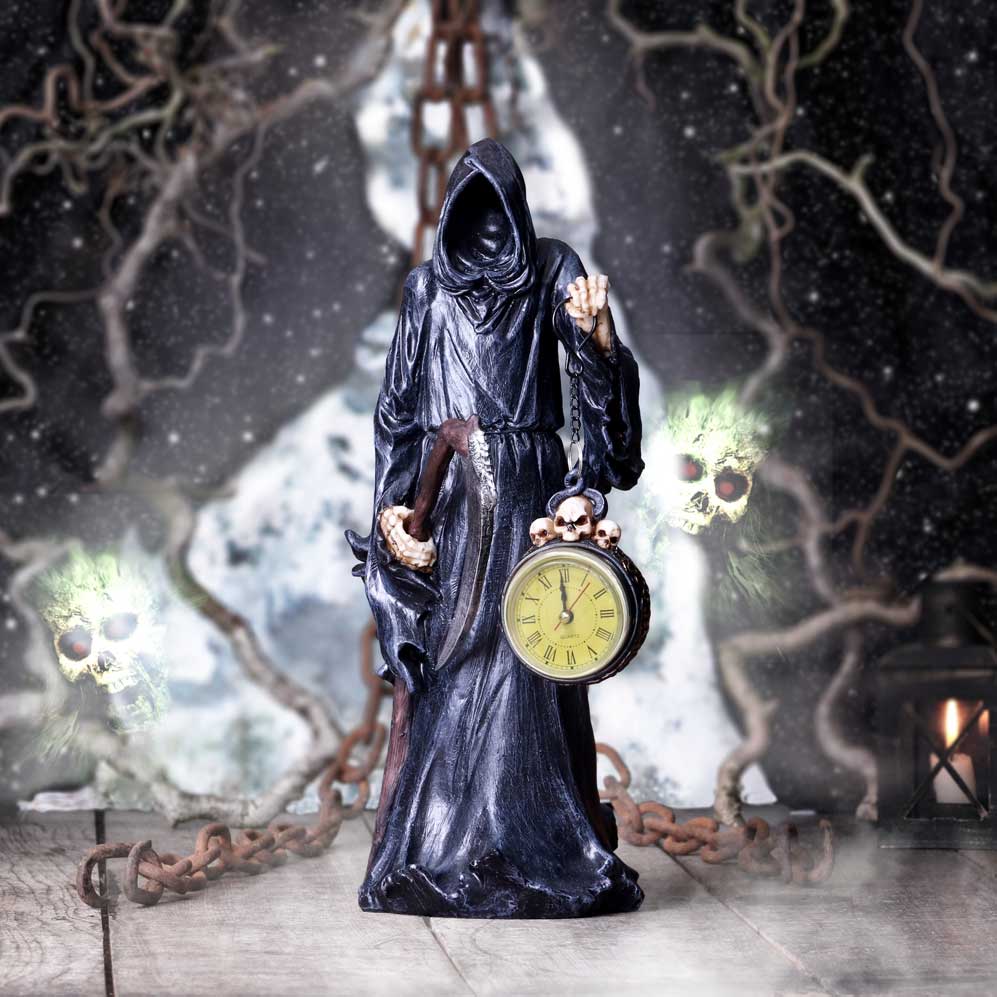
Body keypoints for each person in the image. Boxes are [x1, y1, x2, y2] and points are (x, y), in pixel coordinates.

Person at [347, 138, 644, 917]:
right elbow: (397, 410)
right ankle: (436, 845)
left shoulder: (552, 269)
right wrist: (393, 510)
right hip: (448, 493)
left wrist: (597, 342)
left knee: (529, 659)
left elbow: (598, 404)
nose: (484, 232)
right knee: (451, 662)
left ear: (514, 212)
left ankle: (535, 841)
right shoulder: (425, 289)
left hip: (526, 493)